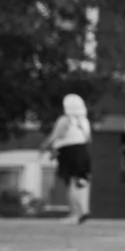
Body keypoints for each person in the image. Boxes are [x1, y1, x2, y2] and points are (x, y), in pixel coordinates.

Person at [45, 93, 93, 224]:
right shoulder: (84, 121)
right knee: (81, 184)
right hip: (82, 152)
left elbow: (56, 135)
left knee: (70, 184)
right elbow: (89, 139)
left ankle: (75, 214)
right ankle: (83, 210)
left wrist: (46, 146)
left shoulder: (65, 119)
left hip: (68, 153)